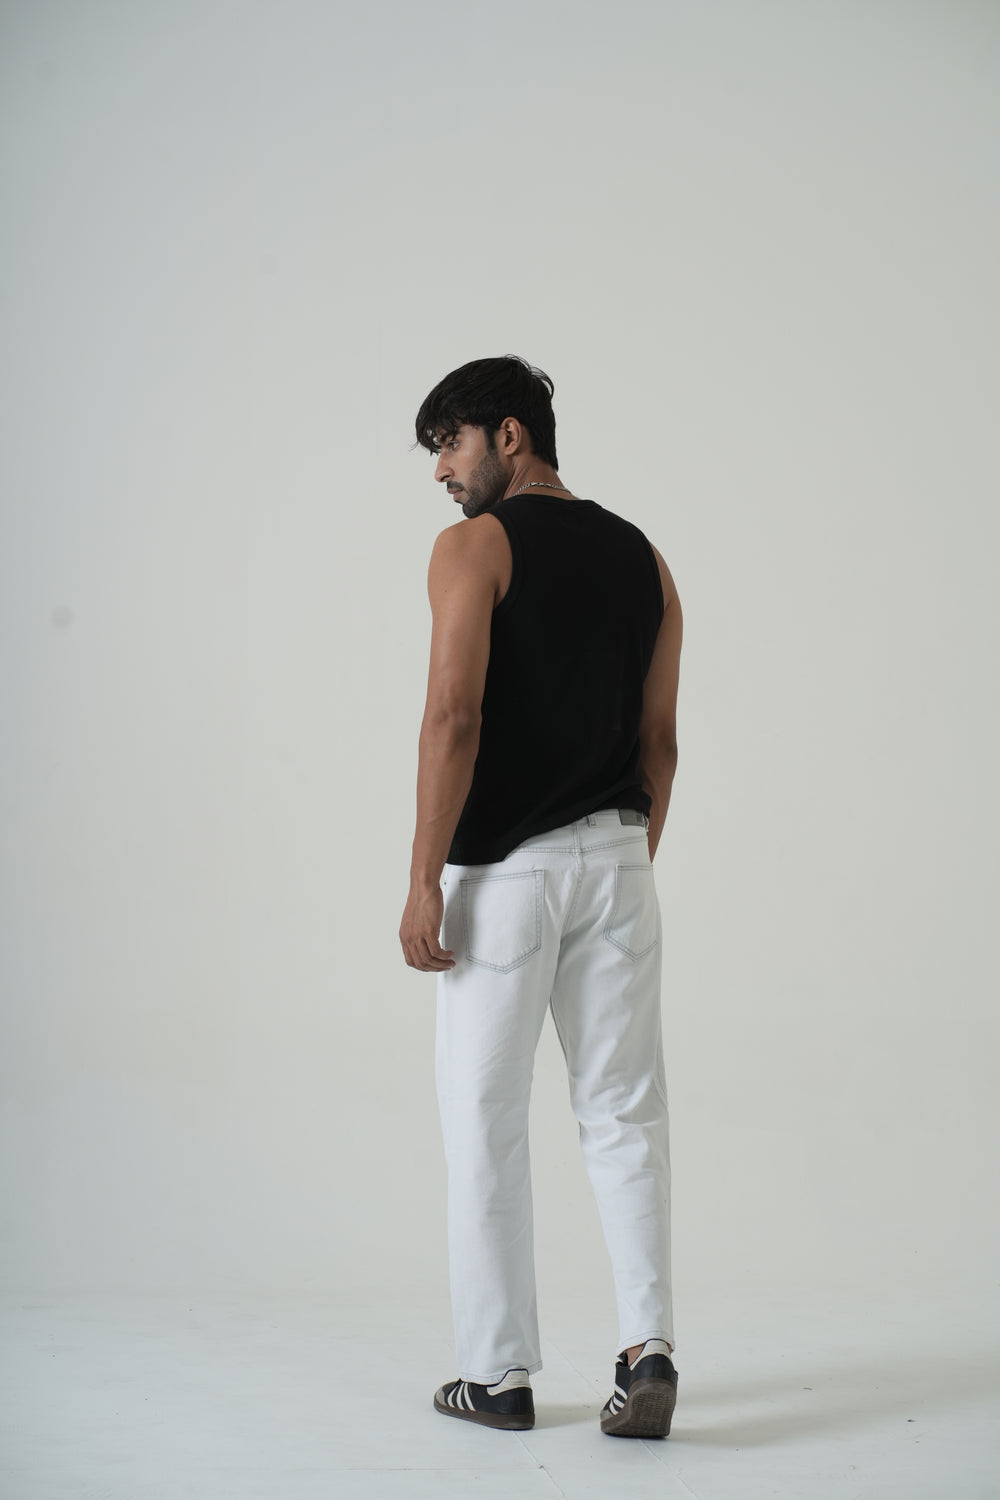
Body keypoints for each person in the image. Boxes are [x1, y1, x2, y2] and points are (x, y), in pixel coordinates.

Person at [399, 355, 683, 1438]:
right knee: (625, 1114)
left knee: (485, 1121)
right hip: (620, 863)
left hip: (504, 881)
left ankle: (497, 1375)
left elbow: (452, 717)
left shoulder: (474, 547)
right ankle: (648, 1350)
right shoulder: (645, 558)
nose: (440, 471)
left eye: (450, 442)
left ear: (510, 435)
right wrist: (622, 863)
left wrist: (423, 880)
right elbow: (659, 742)